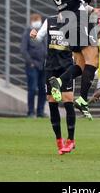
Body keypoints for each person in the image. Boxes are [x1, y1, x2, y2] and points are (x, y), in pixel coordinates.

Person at [38, 0, 100, 120]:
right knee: (94, 59)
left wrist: (91, 9)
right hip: (78, 19)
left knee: (82, 64)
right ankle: (83, 99)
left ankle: (59, 81)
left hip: (67, 19)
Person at [33, 15, 77, 154]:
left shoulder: (74, 21)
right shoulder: (49, 21)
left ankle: (71, 139)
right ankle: (59, 140)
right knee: (52, 100)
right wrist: (34, 35)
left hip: (67, 67)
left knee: (68, 99)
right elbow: (39, 37)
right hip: (51, 67)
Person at [21, 13, 47, 118]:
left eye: (39, 20)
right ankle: (31, 111)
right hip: (32, 65)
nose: (38, 22)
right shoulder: (27, 32)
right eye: (35, 20)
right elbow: (23, 49)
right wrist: (30, 62)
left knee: (43, 89)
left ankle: (40, 111)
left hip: (44, 64)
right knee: (32, 88)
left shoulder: (43, 33)